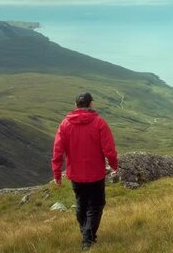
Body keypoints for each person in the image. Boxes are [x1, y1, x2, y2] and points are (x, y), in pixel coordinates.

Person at [52, 92, 118, 251]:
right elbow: (109, 150)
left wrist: (56, 173)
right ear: (91, 104)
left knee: (81, 204)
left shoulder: (65, 124)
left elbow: (57, 151)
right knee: (96, 205)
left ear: (76, 105)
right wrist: (114, 165)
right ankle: (88, 239)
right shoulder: (99, 123)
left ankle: (86, 234)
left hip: (76, 174)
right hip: (95, 173)